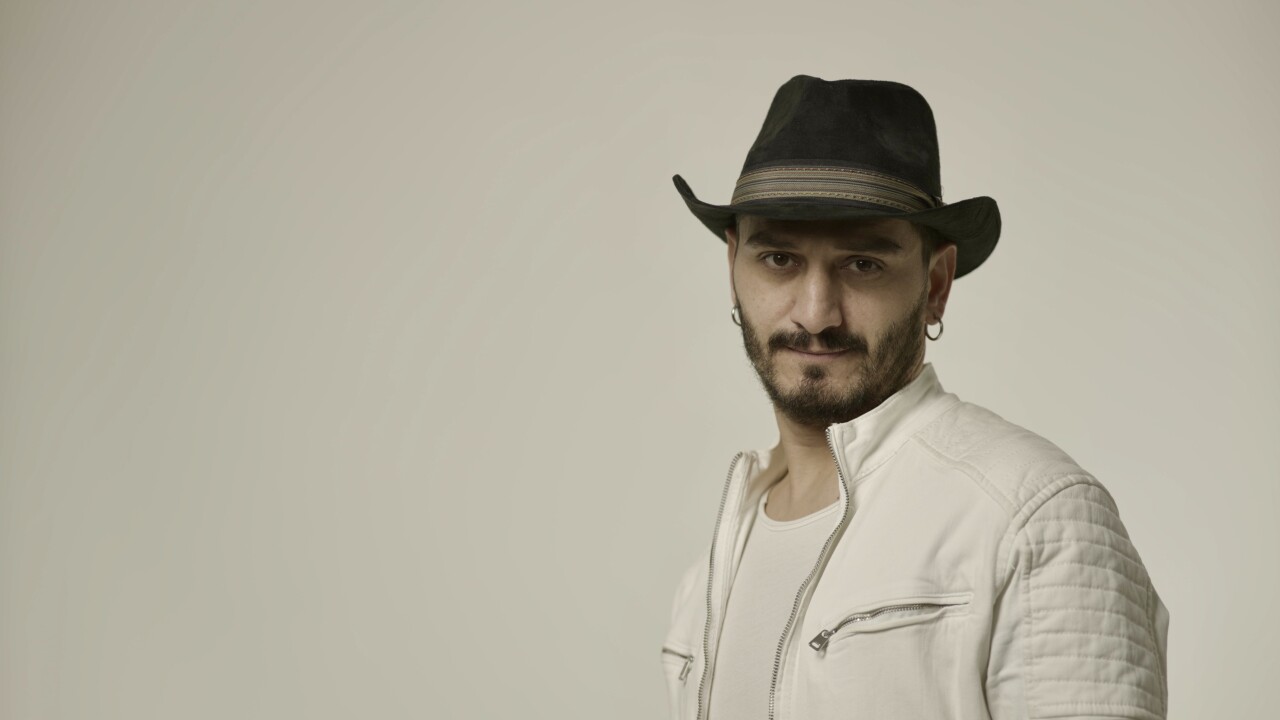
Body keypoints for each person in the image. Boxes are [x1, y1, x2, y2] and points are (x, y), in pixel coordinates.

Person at [660, 76, 1169, 720]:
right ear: (733, 268)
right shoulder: (712, 570)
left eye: (863, 264)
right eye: (779, 259)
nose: (815, 314)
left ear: (936, 284)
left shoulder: (1034, 517)